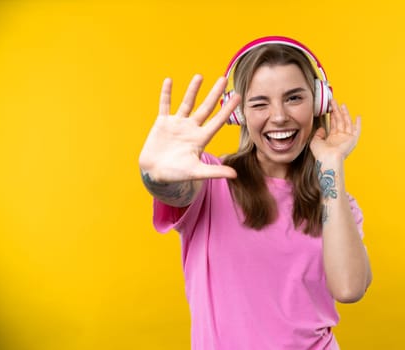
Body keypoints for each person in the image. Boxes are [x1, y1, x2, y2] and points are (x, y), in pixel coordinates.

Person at [139, 36, 372, 350]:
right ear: (239, 112)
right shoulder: (209, 180)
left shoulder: (337, 202)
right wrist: (155, 174)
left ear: (317, 103)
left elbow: (349, 288)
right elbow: (172, 189)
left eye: (293, 98)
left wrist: (331, 165)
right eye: (260, 102)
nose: (278, 116)